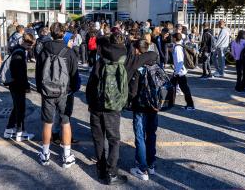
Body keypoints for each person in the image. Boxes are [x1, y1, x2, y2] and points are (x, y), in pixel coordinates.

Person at [86, 32, 128, 185]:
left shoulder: (100, 61)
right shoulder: (124, 59)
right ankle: (112, 172)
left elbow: (91, 84)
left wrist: (90, 102)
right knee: (114, 139)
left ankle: (101, 167)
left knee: (98, 137)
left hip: (97, 105)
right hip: (114, 106)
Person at [35, 22, 79, 168]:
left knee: (48, 122)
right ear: (63, 33)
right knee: (65, 122)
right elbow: (74, 73)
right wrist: (74, 88)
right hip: (65, 92)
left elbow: (39, 71)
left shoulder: (44, 50)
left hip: (47, 92)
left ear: (51, 34)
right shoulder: (69, 51)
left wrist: (40, 89)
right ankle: (66, 156)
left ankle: (45, 154)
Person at [125, 39, 159, 181]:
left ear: (138, 50)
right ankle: (151, 165)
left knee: (140, 136)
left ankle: (142, 168)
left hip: (140, 105)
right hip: (154, 103)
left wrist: (127, 101)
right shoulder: (155, 61)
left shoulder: (137, 65)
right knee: (151, 134)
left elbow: (133, 90)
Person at [3, 33, 35, 141]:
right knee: (21, 108)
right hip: (17, 85)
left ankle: (8, 129)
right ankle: (21, 133)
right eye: (30, 46)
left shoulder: (17, 50)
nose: (31, 48)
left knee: (17, 107)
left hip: (14, 84)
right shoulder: (19, 54)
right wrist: (26, 85)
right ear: (26, 43)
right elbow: (20, 73)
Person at [172, 33, 195, 110]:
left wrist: (176, 73)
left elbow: (179, 61)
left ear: (175, 39)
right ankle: (170, 102)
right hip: (179, 71)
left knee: (185, 89)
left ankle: (190, 105)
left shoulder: (177, 48)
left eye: (173, 38)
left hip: (179, 72)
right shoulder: (180, 45)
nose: (172, 39)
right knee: (172, 86)